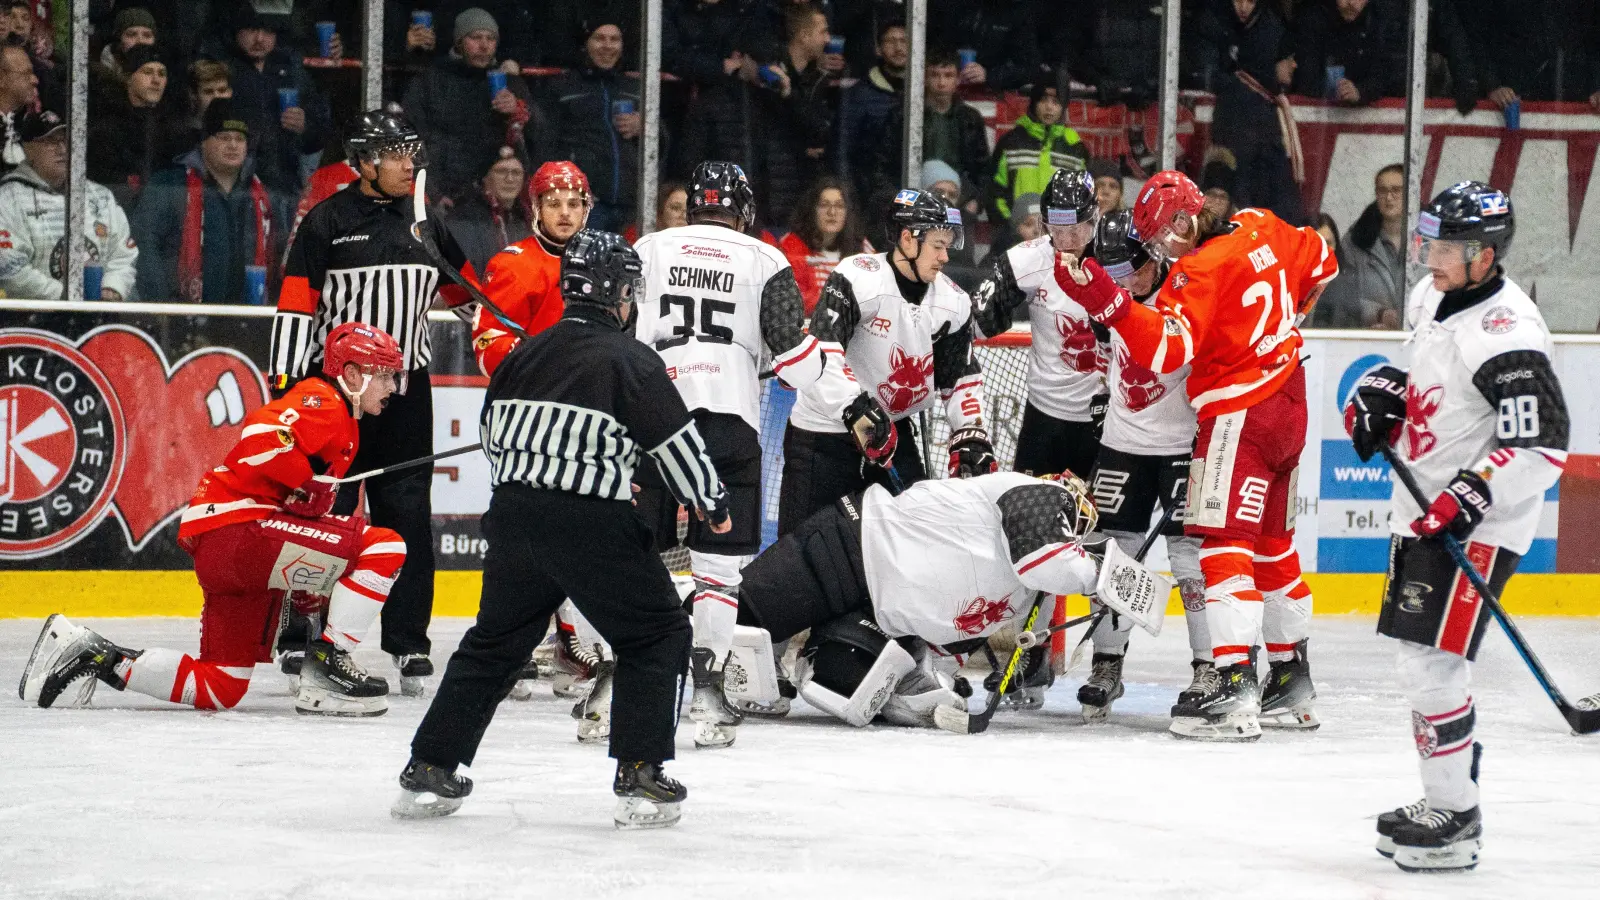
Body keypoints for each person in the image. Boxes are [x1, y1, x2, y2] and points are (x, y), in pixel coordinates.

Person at [395, 230, 729, 830]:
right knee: (657, 633)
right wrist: (710, 500)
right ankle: (640, 773)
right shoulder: (630, 359)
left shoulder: (524, 354)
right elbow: (677, 446)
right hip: (590, 523)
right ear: (616, 293)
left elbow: (492, 435)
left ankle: (430, 766)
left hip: (513, 517)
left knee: (495, 643)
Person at [1053, 170, 1337, 740]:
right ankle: (1290, 676)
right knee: (1273, 546)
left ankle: (1231, 686)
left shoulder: (1196, 271)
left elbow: (1165, 351)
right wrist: (1277, 328)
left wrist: (1109, 302)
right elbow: (1323, 262)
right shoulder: (1261, 224)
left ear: (1185, 220)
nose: (1162, 250)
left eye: (1163, 236)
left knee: (1222, 546)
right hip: (1290, 399)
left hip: (1240, 413)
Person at [20, 323, 408, 716]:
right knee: (386, 546)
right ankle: (329, 664)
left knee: (220, 685)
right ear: (352, 374)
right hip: (241, 530)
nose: (392, 386)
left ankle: (97, 655)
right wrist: (304, 480)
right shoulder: (325, 400)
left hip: (226, 545)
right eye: (384, 374)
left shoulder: (344, 422)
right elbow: (260, 435)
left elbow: (292, 496)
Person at [1349, 183, 1567, 872]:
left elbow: (1541, 444)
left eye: (1444, 248)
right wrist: (1382, 391)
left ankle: (1457, 815)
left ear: (1484, 255)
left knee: (1432, 663)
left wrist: (1472, 492)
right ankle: (1448, 798)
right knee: (1422, 661)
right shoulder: (1430, 294)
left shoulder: (1509, 334)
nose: (1428, 258)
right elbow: (1417, 370)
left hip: (1478, 524)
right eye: (1428, 243)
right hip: (1421, 507)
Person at [271, 110, 475, 693]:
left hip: (406, 395)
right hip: (335, 398)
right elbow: (296, 306)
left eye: (412, 153)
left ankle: (408, 643)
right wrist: (286, 388)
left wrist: (521, 347)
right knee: (321, 514)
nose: (410, 165)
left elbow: (470, 298)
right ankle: (301, 632)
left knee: (407, 516)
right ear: (364, 162)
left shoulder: (425, 224)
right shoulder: (327, 221)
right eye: (396, 154)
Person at [633, 161, 832, 747]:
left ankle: (614, 687)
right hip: (728, 425)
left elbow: (615, 331)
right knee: (718, 571)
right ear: (742, 210)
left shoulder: (648, 248)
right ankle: (708, 694)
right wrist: (824, 364)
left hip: (650, 418)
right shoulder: (764, 258)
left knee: (630, 555)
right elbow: (796, 362)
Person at [692, 470, 1101, 740]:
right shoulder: (1037, 493)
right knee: (731, 617)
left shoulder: (1020, 595)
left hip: (882, 618)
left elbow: (951, 641)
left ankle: (815, 659)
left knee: (845, 690)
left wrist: (926, 682)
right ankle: (658, 648)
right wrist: (1105, 576)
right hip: (851, 549)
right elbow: (1049, 559)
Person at [781, 187, 992, 534]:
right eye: (937, 245)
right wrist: (855, 407)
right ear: (908, 239)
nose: (944, 256)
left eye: (948, 245)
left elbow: (960, 376)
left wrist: (970, 431)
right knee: (802, 548)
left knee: (916, 539)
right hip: (824, 435)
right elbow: (823, 351)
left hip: (892, 432)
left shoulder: (952, 302)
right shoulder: (858, 276)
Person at [1078, 209, 1209, 721]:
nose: (1121, 284)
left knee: (1190, 560)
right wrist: (1101, 394)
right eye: (1110, 273)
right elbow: (1102, 350)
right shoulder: (1107, 294)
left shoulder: (1186, 292)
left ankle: (1208, 668)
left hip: (1181, 445)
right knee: (1113, 554)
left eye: (1128, 270)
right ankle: (1107, 665)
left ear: (1152, 256)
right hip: (1123, 444)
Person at [972, 168, 1106, 483]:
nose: (1066, 241)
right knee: (1028, 509)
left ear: (1095, 217)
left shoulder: (1120, 255)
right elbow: (977, 322)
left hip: (1108, 417)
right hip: (1045, 416)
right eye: (1057, 230)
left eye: (1076, 230)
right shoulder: (1027, 260)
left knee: (1099, 513)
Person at [132, 98, 280, 304]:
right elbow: (145, 245)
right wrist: (162, 306)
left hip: (247, 314)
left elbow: (278, 256)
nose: (233, 145)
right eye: (224, 137)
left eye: (240, 138)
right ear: (204, 141)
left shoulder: (262, 194)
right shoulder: (171, 184)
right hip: (180, 312)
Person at [469, 160, 593, 376]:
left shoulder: (601, 263)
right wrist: (539, 358)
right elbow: (487, 344)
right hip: (535, 389)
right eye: (554, 204)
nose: (565, 213)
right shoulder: (512, 265)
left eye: (574, 204)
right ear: (538, 209)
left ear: (585, 210)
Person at [0, 110, 138, 301]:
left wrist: (112, 288)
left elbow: (123, 255)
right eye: (50, 141)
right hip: (32, 316)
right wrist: (66, 298)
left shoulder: (100, 196)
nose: (62, 149)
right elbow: (9, 267)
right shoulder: (8, 198)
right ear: (28, 148)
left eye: (67, 140)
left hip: (98, 312)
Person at [401, 7, 534, 199]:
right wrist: (432, 193)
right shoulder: (432, 80)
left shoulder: (510, 83)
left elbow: (540, 136)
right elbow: (411, 137)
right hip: (443, 189)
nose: (484, 45)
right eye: (476, 37)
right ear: (459, 42)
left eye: (490, 39)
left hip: (492, 193)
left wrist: (517, 110)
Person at [536, 19, 641, 232]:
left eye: (614, 39)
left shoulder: (635, 88)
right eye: (599, 38)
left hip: (630, 203)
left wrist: (645, 125)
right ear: (586, 44)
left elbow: (663, 143)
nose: (607, 46)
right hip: (584, 202)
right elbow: (546, 142)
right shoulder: (563, 86)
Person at [220, 9, 333, 198]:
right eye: (251, 30)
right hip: (234, 185)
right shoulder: (222, 70)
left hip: (285, 185)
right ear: (236, 31)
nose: (259, 39)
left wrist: (304, 126)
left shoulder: (293, 70)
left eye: (267, 31)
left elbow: (320, 134)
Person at [985, 77, 1088, 252]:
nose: (1049, 107)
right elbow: (994, 191)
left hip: (1057, 243)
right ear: (1033, 103)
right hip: (1014, 239)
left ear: (1064, 107)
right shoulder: (1012, 142)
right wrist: (1012, 226)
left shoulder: (1075, 148)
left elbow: (1081, 200)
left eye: (1056, 102)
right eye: (1043, 100)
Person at [834, 19, 906, 205]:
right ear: (878, 49)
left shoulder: (924, 92)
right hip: (868, 196)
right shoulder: (858, 95)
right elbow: (842, 150)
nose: (898, 47)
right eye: (891, 41)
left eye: (904, 41)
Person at [1284, 0, 1407, 105]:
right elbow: (1304, 77)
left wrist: (1361, 92)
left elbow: (1388, 75)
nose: (1351, 3)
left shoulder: (1382, 22)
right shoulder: (1312, 20)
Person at [780, 175, 869, 314]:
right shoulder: (791, 245)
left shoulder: (862, 248)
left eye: (839, 206)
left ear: (848, 212)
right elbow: (789, 300)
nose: (832, 212)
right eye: (824, 205)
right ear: (812, 210)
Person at [442, 146, 532, 276]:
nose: (510, 179)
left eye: (516, 173)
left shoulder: (527, 221)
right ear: (485, 178)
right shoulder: (463, 220)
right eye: (501, 171)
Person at [1340, 163, 1407, 329]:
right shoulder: (1356, 240)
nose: (1389, 197)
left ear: (1410, 192)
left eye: (1396, 190)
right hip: (1372, 334)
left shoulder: (1429, 239)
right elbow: (1343, 295)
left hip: (1421, 333)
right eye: (1382, 191)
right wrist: (1379, 314)